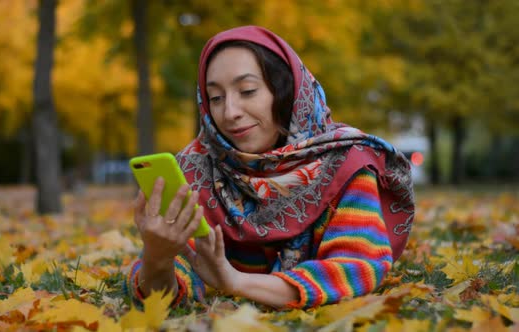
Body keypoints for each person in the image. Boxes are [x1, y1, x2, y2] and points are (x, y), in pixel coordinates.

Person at [125, 25, 414, 310]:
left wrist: (237, 282)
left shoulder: (345, 161)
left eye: (247, 91)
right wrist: (157, 260)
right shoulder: (196, 171)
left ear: (285, 91)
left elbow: (356, 267)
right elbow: (166, 293)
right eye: (215, 98)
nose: (230, 112)